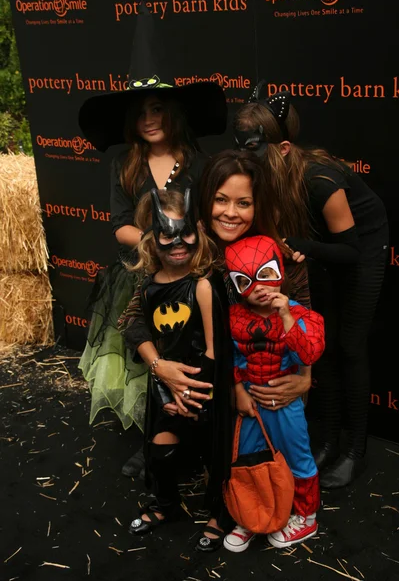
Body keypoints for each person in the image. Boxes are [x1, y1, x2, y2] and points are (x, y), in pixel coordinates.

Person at [77, 4, 227, 477]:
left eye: (157, 108)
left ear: (174, 111)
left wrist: (192, 252)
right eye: (140, 111)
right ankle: (153, 441)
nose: (148, 118)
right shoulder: (123, 163)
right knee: (148, 360)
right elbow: (119, 222)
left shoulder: (199, 161)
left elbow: (214, 220)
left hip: (196, 276)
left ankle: (198, 435)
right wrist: (153, 244)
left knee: (194, 355)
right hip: (143, 275)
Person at [119, 151, 313, 481]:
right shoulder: (183, 248)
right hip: (195, 378)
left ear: (257, 206)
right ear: (205, 201)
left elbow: (303, 319)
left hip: (257, 382)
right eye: (221, 200)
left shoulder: (282, 258)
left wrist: (306, 377)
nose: (231, 213)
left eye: (244, 203)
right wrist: (160, 367)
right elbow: (131, 319)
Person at [233, 84, 389, 488]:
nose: (247, 158)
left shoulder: (320, 179)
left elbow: (351, 250)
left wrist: (302, 246)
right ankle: (328, 442)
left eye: (256, 148)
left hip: (360, 248)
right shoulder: (266, 174)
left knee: (351, 345)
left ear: (282, 148)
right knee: (327, 344)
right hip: (321, 248)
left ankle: (355, 451)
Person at [126, 188, 233, 553]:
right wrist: (166, 385)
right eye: (165, 235)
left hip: (204, 388)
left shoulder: (203, 284)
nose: (176, 243)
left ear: (198, 231)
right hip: (165, 387)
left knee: (214, 454)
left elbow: (216, 350)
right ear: (150, 239)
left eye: (184, 233)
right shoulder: (148, 288)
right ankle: (166, 505)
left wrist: (193, 393)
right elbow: (134, 326)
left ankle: (220, 512)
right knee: (159, 449)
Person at [222, 235, 325, 551]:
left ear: (279, 269)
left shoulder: (303, 316)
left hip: (285, 400)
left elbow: (309, 354)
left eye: (265, 274)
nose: (259, 288)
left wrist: (286, 316)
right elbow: (232, 357)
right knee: (250, 458)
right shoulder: (235, 317)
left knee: (297, 457)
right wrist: (238, 389)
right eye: (246, 281)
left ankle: (305, 517)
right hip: (252, 399)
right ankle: (256, 513)